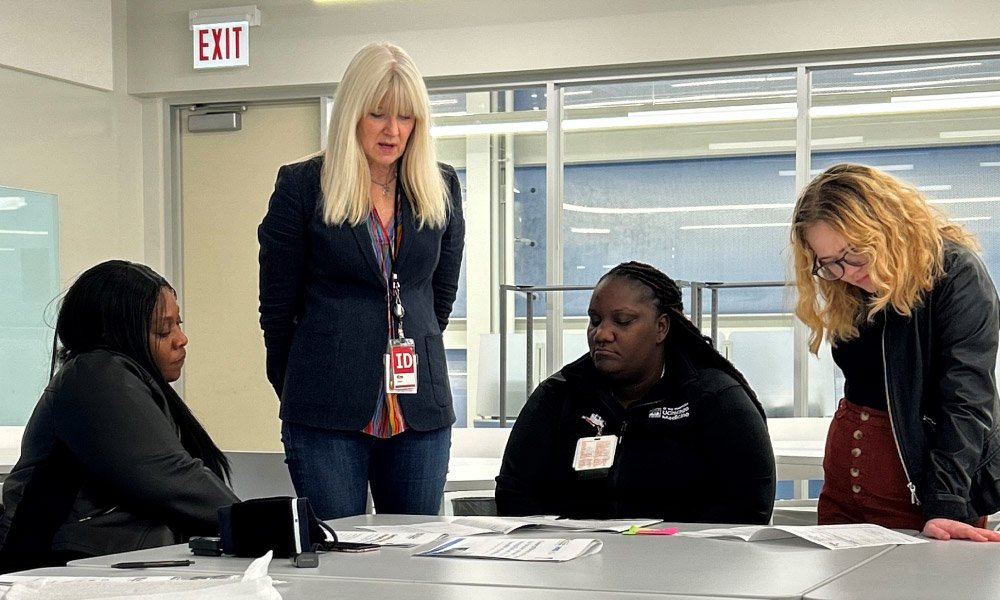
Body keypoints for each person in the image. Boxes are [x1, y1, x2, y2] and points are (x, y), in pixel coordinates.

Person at [258, 42, 464, 519]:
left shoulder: (441, 184)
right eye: (378, 115)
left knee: (414, 561)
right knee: (337, 562)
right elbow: (277, 311)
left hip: (419, 410)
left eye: (406, 118)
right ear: (352, 113)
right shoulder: (303, 185)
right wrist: (299, 384)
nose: (393, 131)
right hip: (325, 409)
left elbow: (440, 296)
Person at [790, 163, 1000, 542]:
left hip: (925, 487)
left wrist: (947, 504)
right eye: (828, 263)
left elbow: (966, 400)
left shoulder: (954, 274)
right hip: (844, 488)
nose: (847, 271)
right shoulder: (849, 285)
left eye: (854, 253)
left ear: (886, 227)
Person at [0, 260, 239, 573]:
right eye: (163, 330)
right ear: (118, 334)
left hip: (103, 564)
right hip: (64, 569)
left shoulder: (119, 378)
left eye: (178, 324)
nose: (181, 339)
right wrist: (261, 523)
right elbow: (172, 478)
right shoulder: (96, 375)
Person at [495, 262, 775, 523]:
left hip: (687, 567)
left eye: (623, 321)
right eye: (595, 320)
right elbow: (515, 494)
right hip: (572, 565)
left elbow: (749, 508)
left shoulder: (716, 399)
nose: (602, 334)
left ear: (661, 327)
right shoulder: (559, 395)